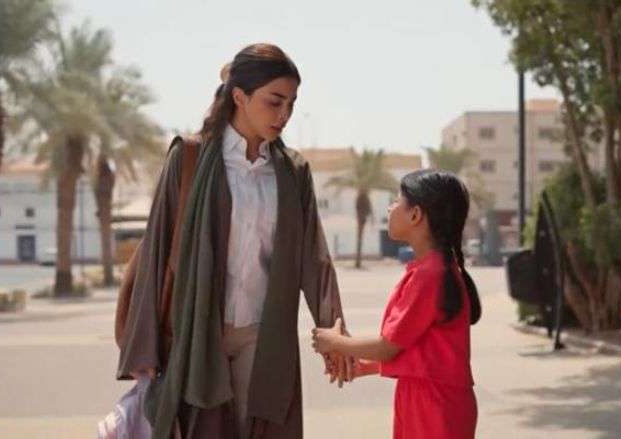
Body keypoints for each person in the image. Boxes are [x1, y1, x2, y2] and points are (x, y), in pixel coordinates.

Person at [115, 43, 353, 439]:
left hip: (263, 332)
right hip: (196, 331)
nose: (284, 114)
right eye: (274, 101)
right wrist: (145, 347)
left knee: (262, 428)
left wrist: (334, 332)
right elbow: (156, 248)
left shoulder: (292, 172)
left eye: (291, 104)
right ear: (240, 97)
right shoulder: (189, 158)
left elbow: (314, 259)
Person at [312, 170, 482, 439]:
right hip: (427, 399)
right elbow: (416, 352)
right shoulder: (432, 270)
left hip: (434, 405)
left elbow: (387, 347)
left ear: (415, 215)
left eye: (396, 201)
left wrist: (333, 341)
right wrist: (362, 366)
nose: (390, 208)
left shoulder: (430, 275)